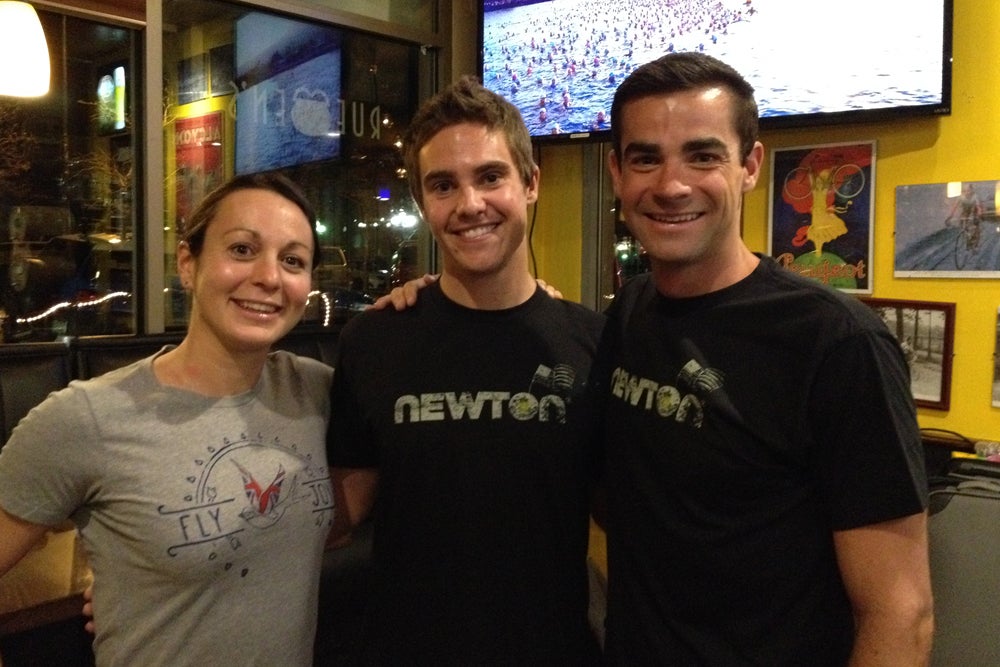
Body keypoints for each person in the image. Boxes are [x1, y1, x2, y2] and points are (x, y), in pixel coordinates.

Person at [595, 51, 934, 664]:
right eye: (647, 157)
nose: (672, 185)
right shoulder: (630, 312)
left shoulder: (837, 345)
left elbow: (900, 613)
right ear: (617, 172)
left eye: (703, 155)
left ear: (749, 166)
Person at [325, 75, 605, 664]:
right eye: (444, 185)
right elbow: (331, 516)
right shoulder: (374, 340)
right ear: (423, 203)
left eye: (490, 176)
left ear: (531, 183)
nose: (470, 204)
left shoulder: (593, 342)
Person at [0, 173, 334, 666]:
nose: (269, 277)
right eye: (242, 249)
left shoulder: (317, 392)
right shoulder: (86, 417)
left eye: (293, 260)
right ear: (187, 263)